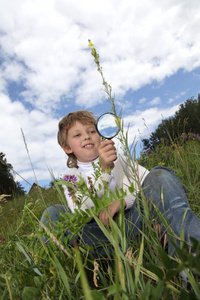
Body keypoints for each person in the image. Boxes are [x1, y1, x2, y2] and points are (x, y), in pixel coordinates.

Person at [40, 110, 200, 259]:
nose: (87, 137)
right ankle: (58, 270)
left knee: (160, 174)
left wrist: (122, 202)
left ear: (100, 136)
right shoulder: (70, 178)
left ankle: (190, 257)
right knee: (52, 212)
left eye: (92, 131)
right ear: (67, 148)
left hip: (135, 224)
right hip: (97, 237)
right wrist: (103, 171)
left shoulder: (119, 160)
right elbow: (81, 211)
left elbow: (149, 183)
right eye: (77, 135)